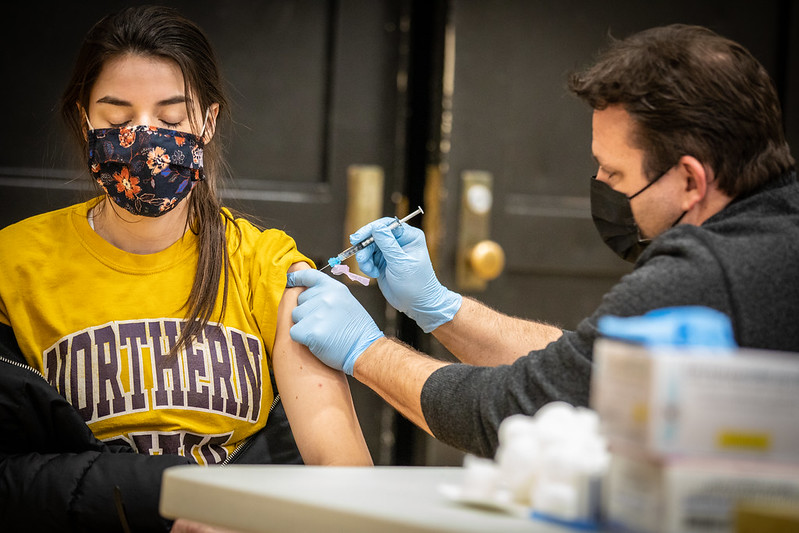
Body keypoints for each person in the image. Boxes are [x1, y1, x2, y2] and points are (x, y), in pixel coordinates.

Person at [286, 24, 799, 459]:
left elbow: (520, 409)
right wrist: (438, 308)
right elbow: (579, 369)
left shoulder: (707, 271)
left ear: (690, 180)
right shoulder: (778, 228)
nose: (601, 185)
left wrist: (365, 349)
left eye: (616, 173)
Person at [0, 5, 371, 532]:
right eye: (118, 118)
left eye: (171, 119)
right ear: (84, 119)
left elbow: (346, 477)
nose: (145, 136)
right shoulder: (14, 263)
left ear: (208, 122)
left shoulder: (262, 262)